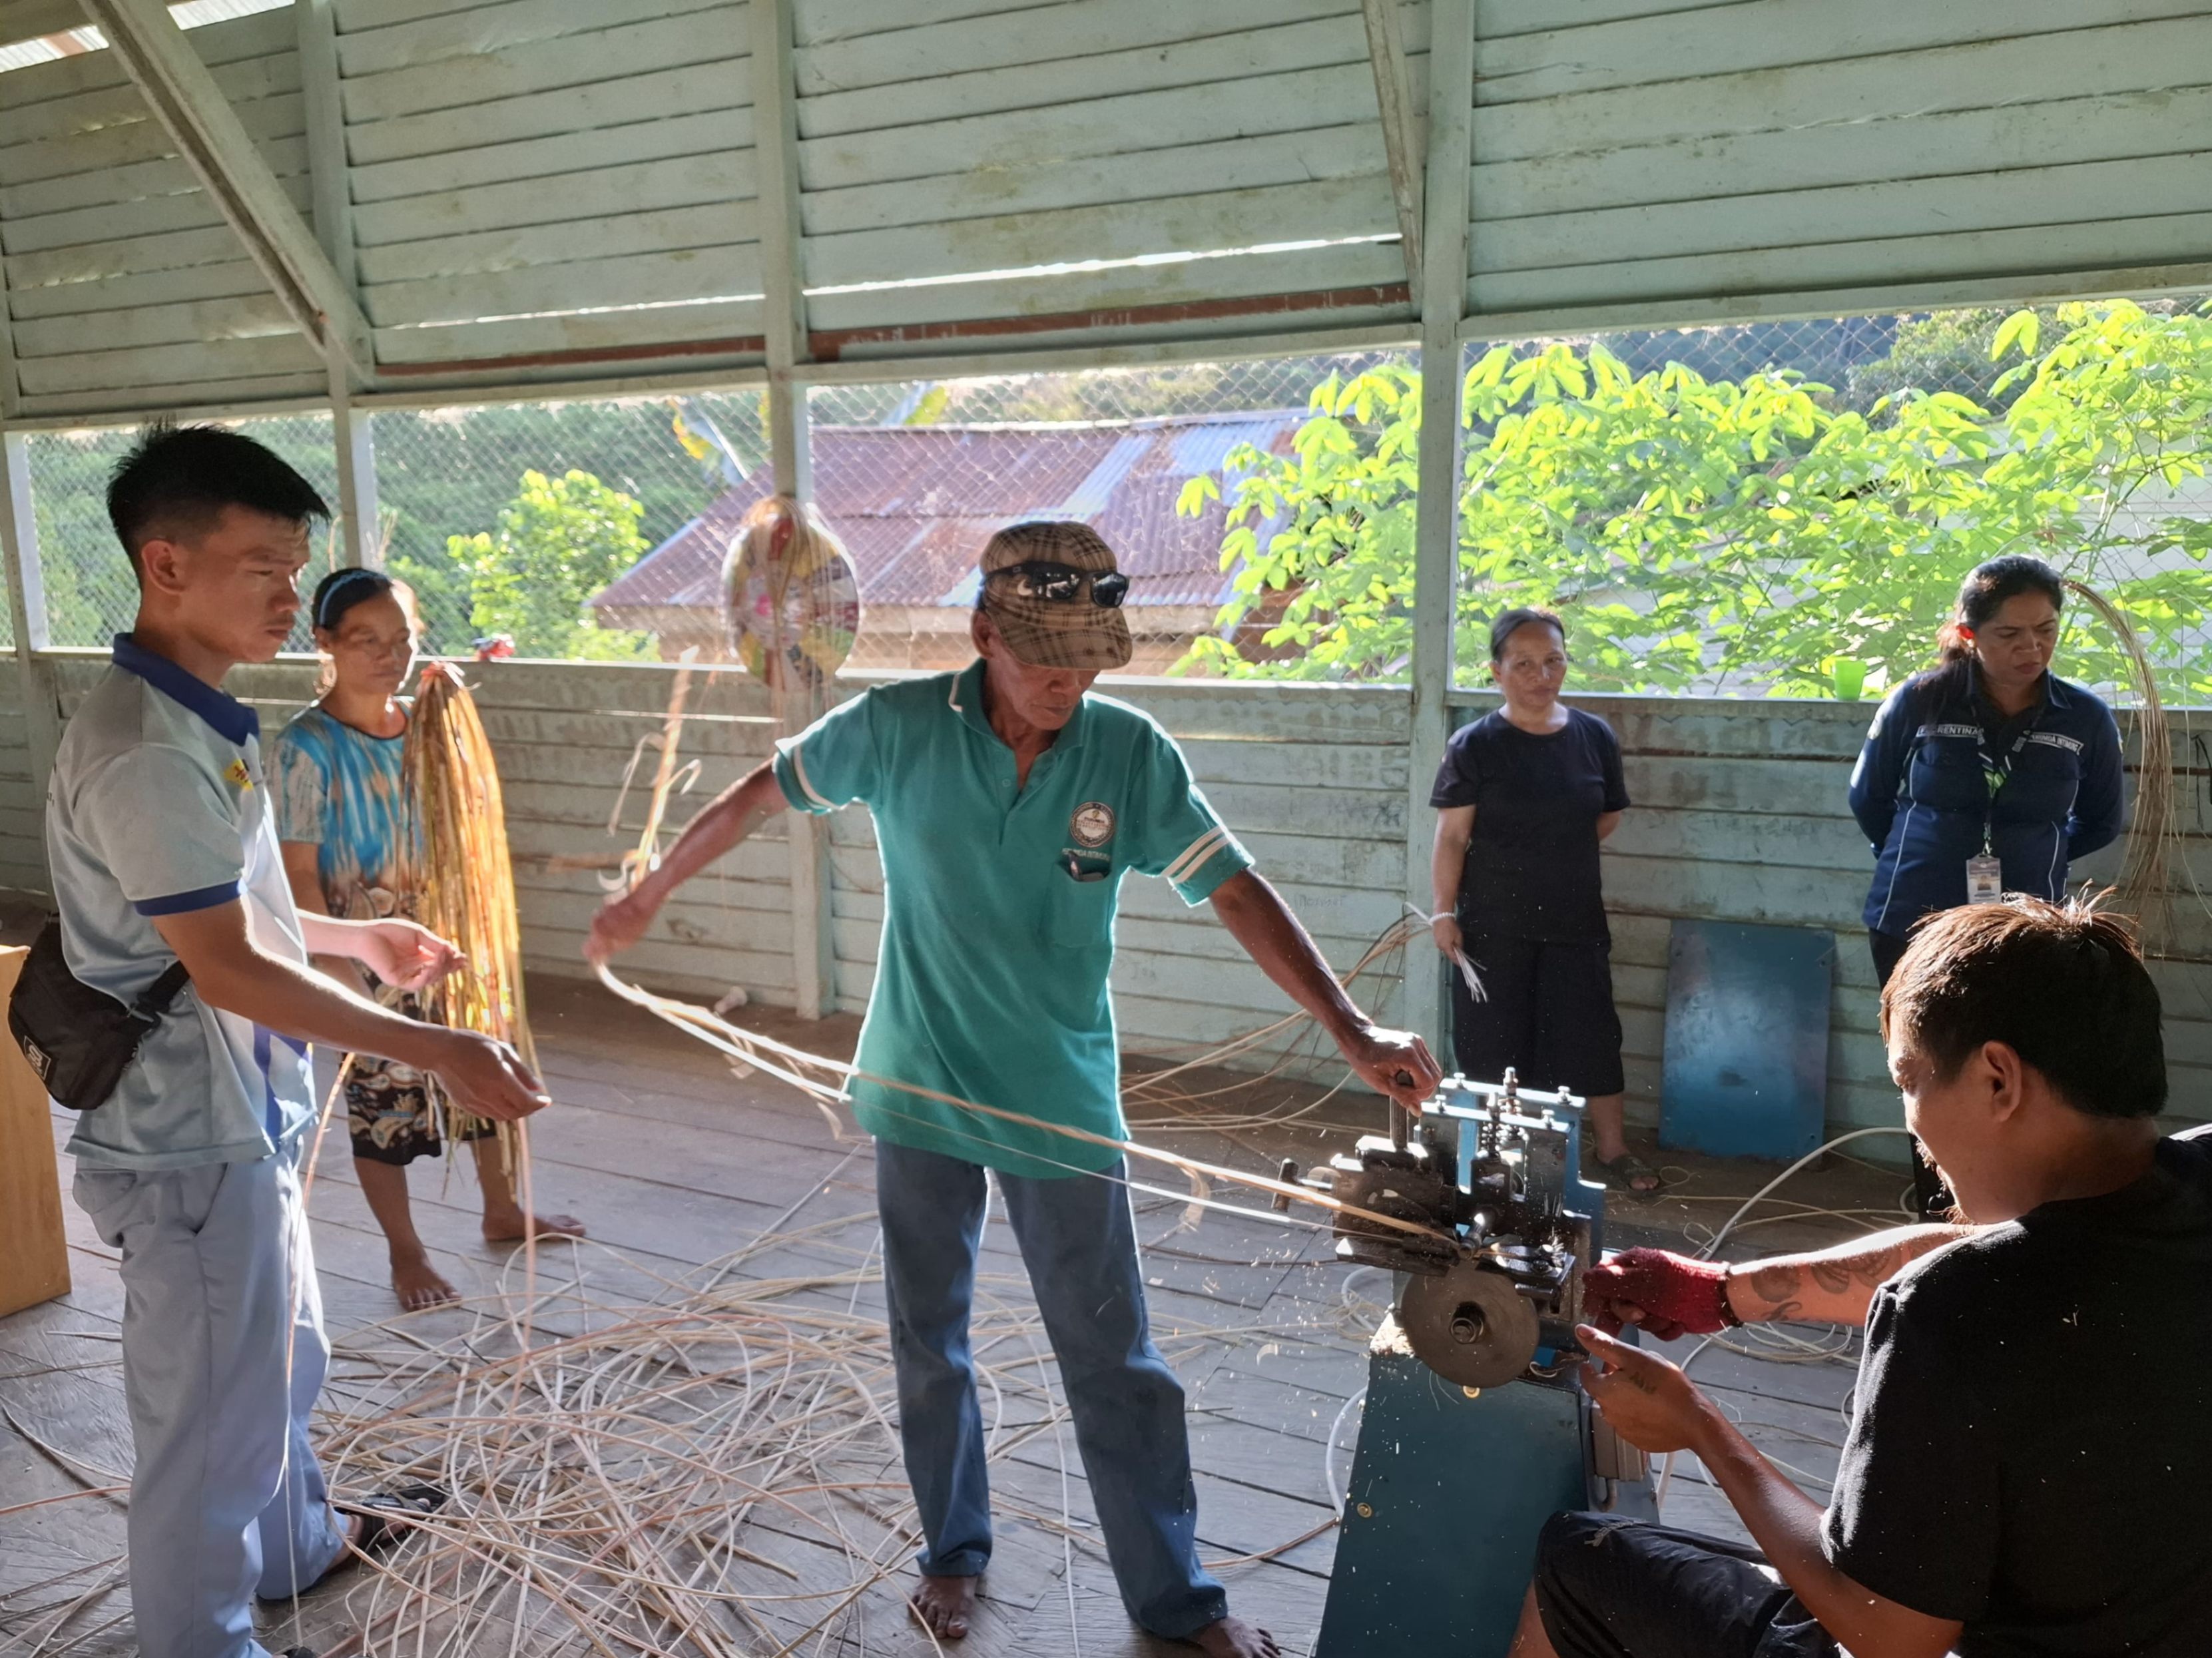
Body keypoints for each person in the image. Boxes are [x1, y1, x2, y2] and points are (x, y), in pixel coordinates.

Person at [587, 520, 1440, 1657]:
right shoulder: (894, 729)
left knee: (1112, 1358)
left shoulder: (1126, 754)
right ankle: (952, 1552)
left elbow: (1231, 887)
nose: (1066, 684)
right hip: (918, 1089)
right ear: (983, 631)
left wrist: (1346, 1024)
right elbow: (764, 789)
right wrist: (652, 893)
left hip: (1060, 1101)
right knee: (927, 1337)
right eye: (1046, 660)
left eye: (1087, 663)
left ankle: (1174, 1600)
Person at [45, 426, 549, 1658]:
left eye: (296, 565)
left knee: (282, 1361)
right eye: (262, 565)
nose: (289, 596)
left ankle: (295, 1548)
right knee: (211, 1420)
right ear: (165, 565)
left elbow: (232, 917)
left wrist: (355, 943)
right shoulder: (144, 746)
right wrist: (435, 1050)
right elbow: (224, 965)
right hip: (184, 1139)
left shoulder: (202, 717)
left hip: (241, 1113)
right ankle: (202, 1640)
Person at [1506, 896, 2210, 1658]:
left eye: (1909, 1078)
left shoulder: (1952, 1309)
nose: (1911, 1119)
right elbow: (2006, 1249)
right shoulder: (2191, 1179)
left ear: (1998, 1079)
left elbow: (1887, 1634)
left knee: (1578, 1560)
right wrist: (1724, 1293)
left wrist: (1697, 1427)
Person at [270, 567, 583, 1312]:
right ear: (324, 643)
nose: (389, 656)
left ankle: (501, 1208)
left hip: (449, 941)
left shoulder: (430, 727)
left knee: (482, 1078)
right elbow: (297, 876)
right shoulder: (305, 748)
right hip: (365, 956)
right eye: (365, 640)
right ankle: (405, 1253)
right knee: (385, 1107)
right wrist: (336, 973)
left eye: (401, 640)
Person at [1848, 554, 2123, 1215]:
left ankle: (2009, 1213)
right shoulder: (1920, 699)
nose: (2032, 647)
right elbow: (1869, 799)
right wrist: (1928, 853)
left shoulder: (2082, 717)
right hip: (1912, 916)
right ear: (1970, 634)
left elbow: (2100, 821)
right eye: (2010, 634)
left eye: (2047, 630)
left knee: (2017, 1070)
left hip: (2021, 927)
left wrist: (2035, 858)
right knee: (1927, 1071)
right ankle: (1935, 1216)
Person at [1430, 607, 1648, 1189]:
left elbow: (1605, 817)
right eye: (1523, 663)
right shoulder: (1475, 745)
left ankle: (1613, 1150)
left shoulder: (1593, 737)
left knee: (1591, 1035)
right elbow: (1452, 836)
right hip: (1493, 924)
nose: (1540, 674)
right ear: (1497, 672)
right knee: (1494, 1043)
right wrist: (1444, 912)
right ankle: (1501, 1160)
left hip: (1575, 918)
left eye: (1552, 660)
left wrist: (1555, 852)